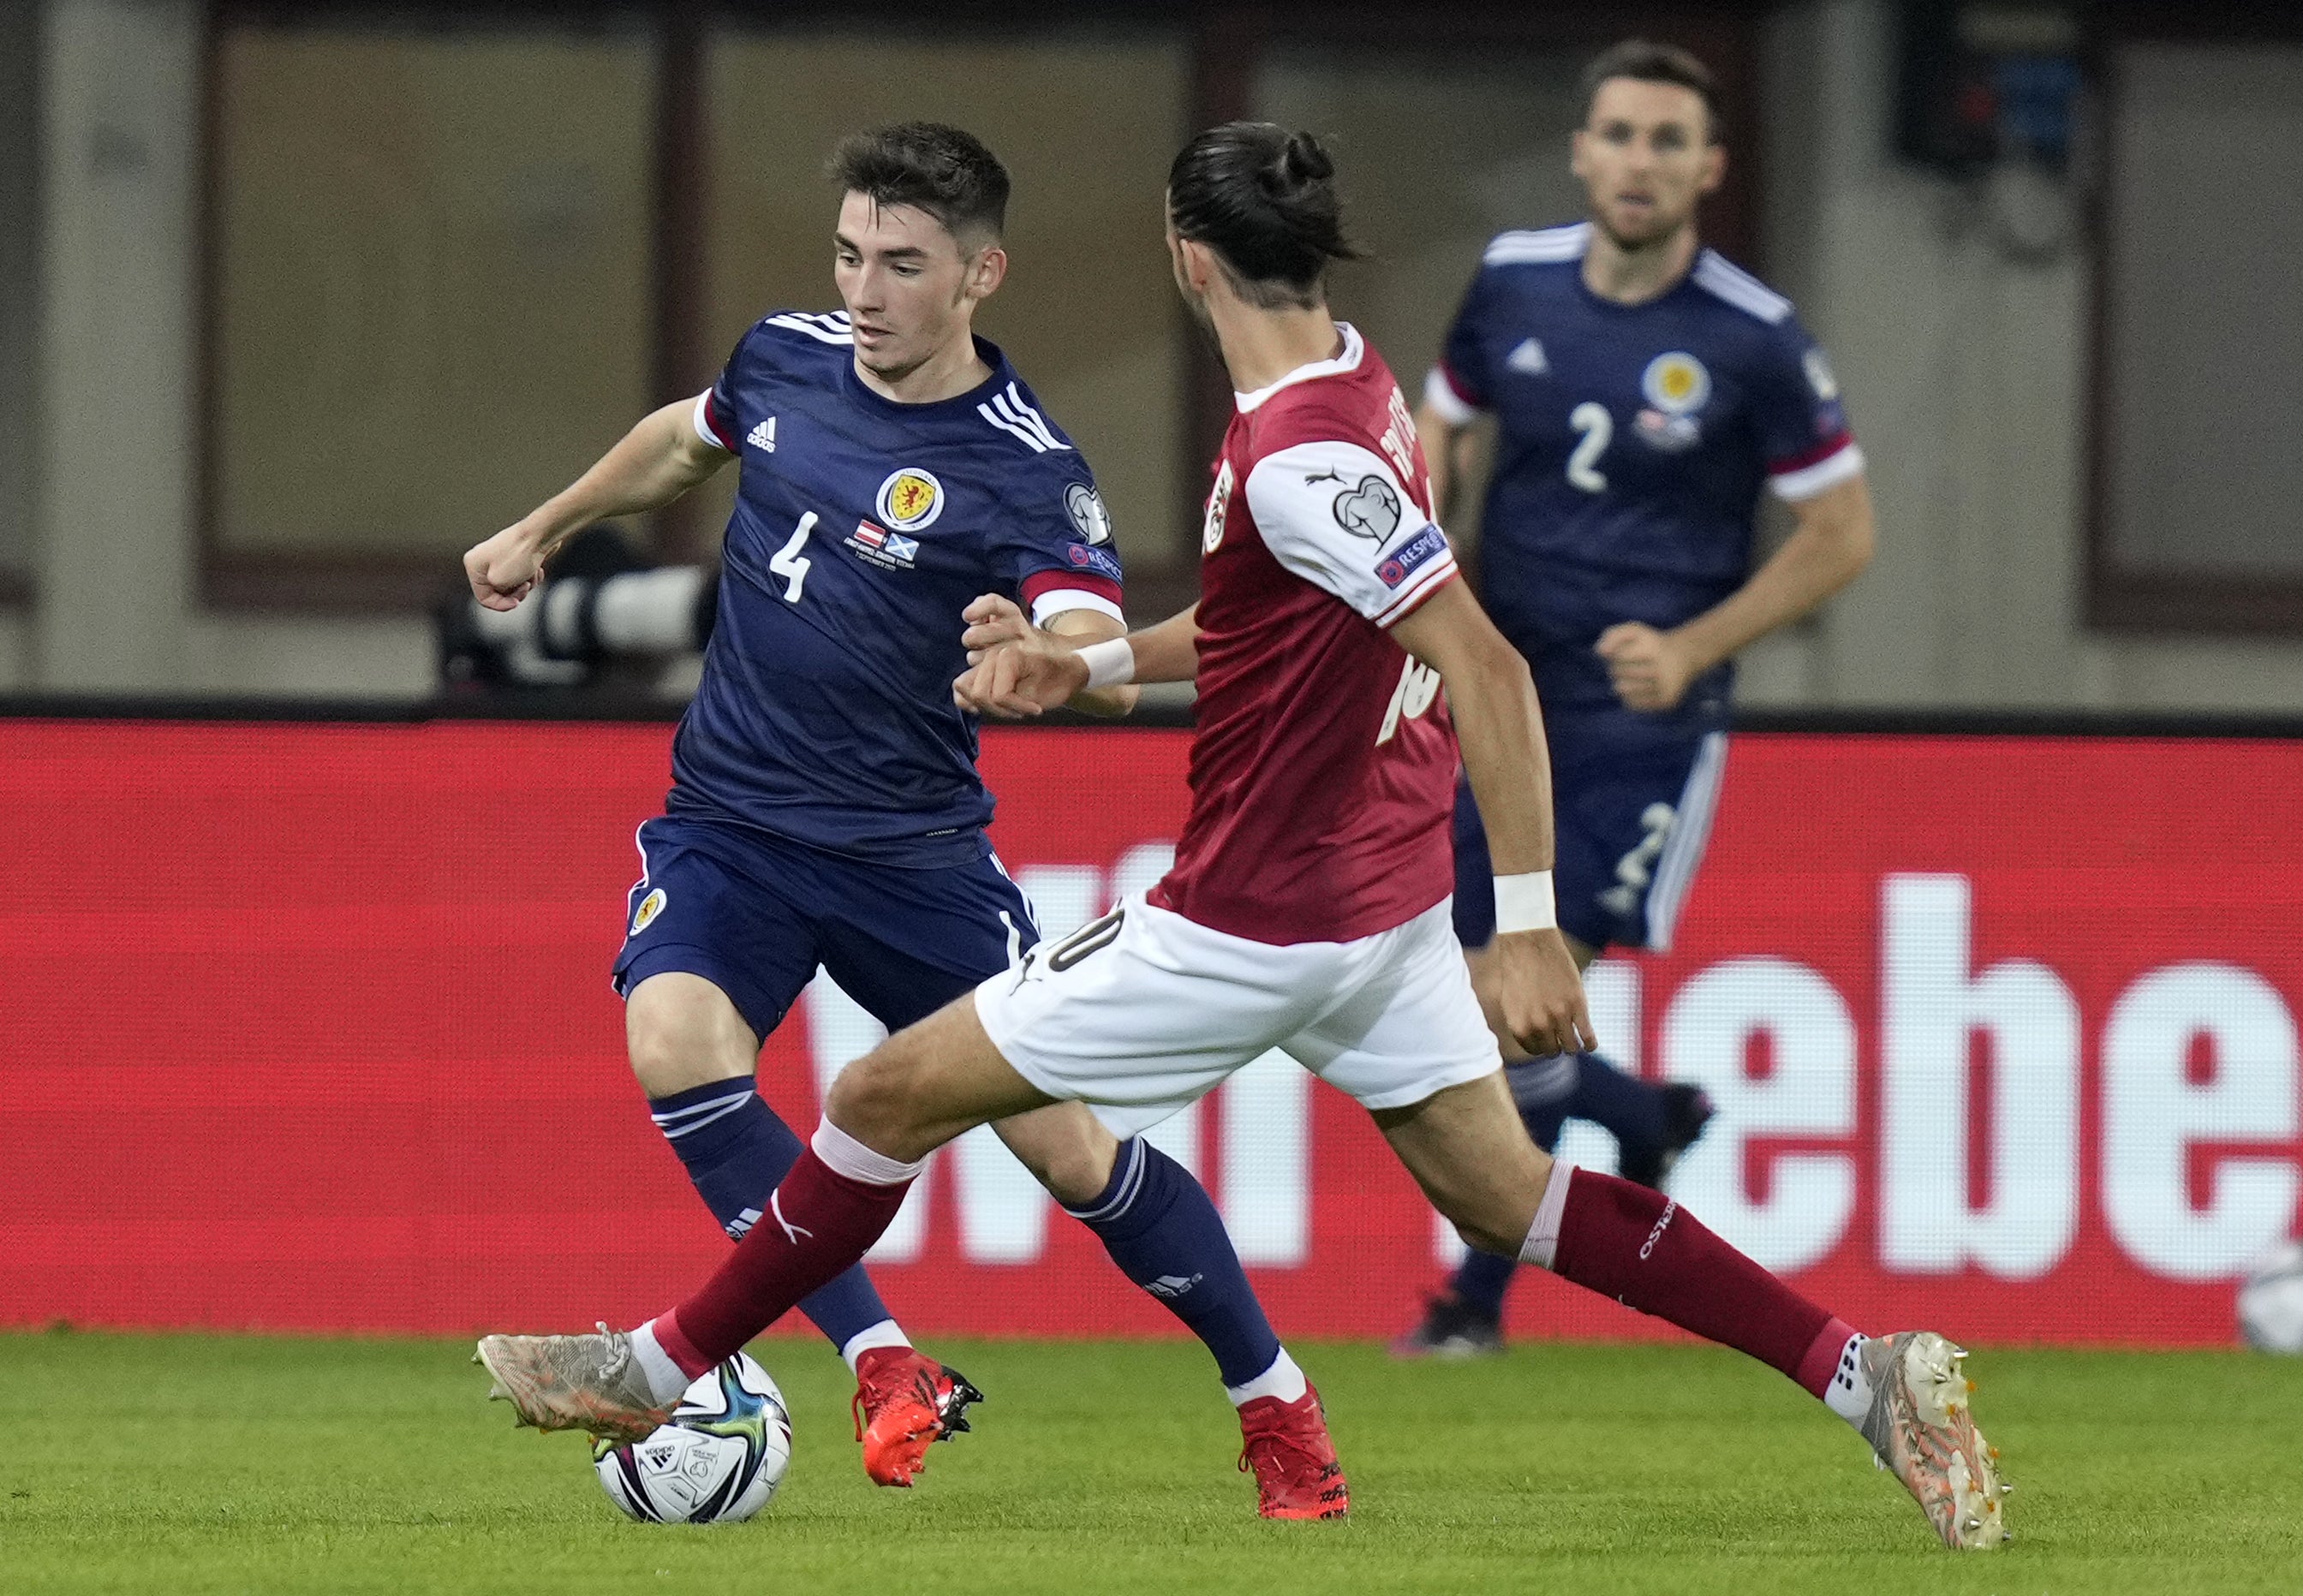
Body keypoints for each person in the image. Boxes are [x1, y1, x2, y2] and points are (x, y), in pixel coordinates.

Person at [473, 121, 2004, 1552]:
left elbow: (1485, 665)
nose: (862, 288)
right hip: (1380, 910)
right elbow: (1269, 628)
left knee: (882, 1091)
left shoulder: (1293, 459)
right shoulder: (1344, 385)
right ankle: (1860, 1376)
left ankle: (656, 1357)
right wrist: (1082, 667)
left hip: (1253, 920)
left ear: (1181, 253)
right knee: (1510, 1199)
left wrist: (1527, 918)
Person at [462, 122, 1328, 1510]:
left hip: (910, 859)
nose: (866, 291)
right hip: (732, 824)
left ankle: (1273, 1400)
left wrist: (1048, 657)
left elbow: (1090, 626)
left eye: (904, 265)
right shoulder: (786, 355)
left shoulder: (1021, 463)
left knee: (1068, 1149)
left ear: (980, 275)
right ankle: (880, 1357)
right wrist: (542, 528)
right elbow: (683, 447)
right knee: (673, 1038)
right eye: (852, 255)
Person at [1394, 39, 1878, 1359]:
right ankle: (1636, 1115)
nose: (1640, 161)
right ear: (1581, 149)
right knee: (1453, 984)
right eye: (1620, 133)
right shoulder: (1510, 283)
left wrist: (1694, 644)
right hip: (1503, 688)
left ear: (1707, 170)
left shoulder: (1755, 339)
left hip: (1636, 722)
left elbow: (1840, 532)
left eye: (1669, 141)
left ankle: (1469, 1308)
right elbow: (1443, 429)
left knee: (1525, 990)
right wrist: (1421, 577)